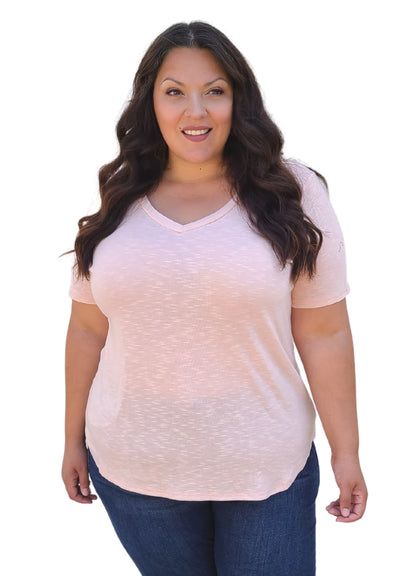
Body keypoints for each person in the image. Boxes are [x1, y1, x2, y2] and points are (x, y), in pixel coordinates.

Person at [62, 21, 367, 576]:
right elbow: (87, 327)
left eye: (215, 91)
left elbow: (324, 332)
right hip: (135, 470)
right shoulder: (121, 192)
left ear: (238, 99)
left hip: (265, 471)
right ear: (150, 102)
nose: (195, 111)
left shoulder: (292, 192)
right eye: (174, 92)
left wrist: (346, 452)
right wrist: (70, 440)